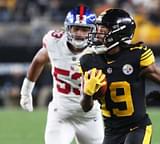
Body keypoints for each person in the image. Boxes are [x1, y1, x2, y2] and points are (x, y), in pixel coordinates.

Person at [79, 8, 160, 144]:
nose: (97, 34)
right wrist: (87, 94)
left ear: (118, 33)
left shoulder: (136, 57)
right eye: (98, 29)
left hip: (137, 127)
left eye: (103, 30)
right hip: (112, 132)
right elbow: (86, 107)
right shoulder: (89, 61)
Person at [19, 5, 104, 144]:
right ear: (67, 28)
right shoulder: (55, 42)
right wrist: (26, 91)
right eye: (76, 28)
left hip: (90, 117)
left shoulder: (100, 50)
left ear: (93, 30)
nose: (79, 34)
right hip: (60, 115)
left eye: (84, 29)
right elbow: (38, 60)